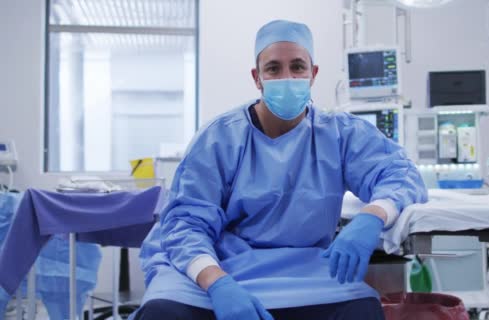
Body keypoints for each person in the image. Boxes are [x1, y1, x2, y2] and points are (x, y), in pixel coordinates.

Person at [132, 19, 427, 320]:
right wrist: (217, 282)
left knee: (361, 311)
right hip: (220, 266)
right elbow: (186, 223)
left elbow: (401, 175)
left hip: (305, 272)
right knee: (162, 313)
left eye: (297, 66)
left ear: (313, 74)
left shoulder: (339, 135)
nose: (287, 77)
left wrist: (372, 215)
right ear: (256, 77)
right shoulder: (220, 138)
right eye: (273, 68)